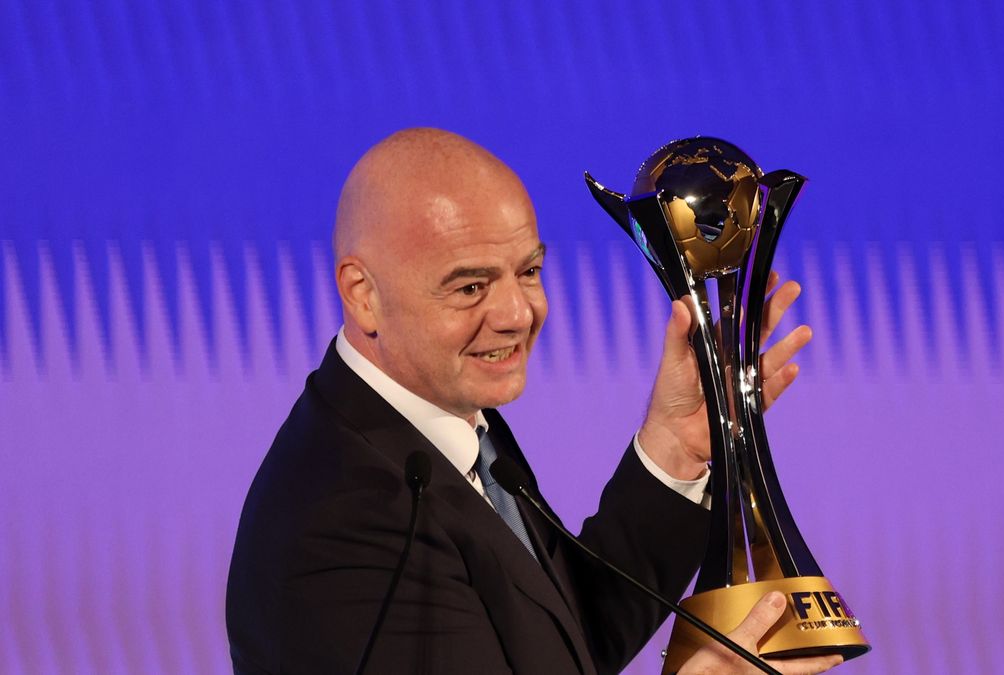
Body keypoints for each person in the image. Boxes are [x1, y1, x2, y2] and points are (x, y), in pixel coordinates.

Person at [226, 128, 841, 675]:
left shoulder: (447, 428)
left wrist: (674, 446)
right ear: (363, 295)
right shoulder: (344, 520)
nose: (518, 314)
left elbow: (563, 639)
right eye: (471, 286)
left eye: (528, 272)